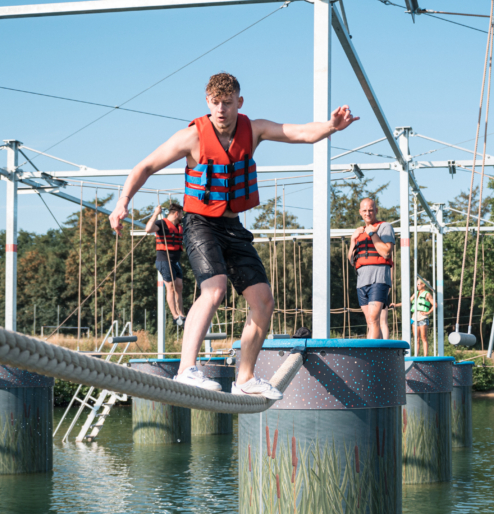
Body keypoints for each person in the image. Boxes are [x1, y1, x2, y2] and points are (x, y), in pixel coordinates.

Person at [109, 72, 358, 398]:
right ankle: (187, 369)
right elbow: (143, 167)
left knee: (263, 301)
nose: (222, 110)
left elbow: (299, 133)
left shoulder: (253, 129)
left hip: (233, 227)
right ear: (207, 102)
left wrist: (330, 127)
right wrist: (122, 203)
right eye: (215, 103)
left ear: (239, 102)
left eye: (228, 103)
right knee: (215, 289)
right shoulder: (192, 137)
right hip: (199, 223)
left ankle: (245, 379)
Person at [347, 198, 395, 339]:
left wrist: (372, 233)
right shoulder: (358, 232)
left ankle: (370, 356)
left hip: (378, 278)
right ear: (360, 212)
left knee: (374, 320)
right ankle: (379, 356)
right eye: (364, 210)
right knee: (370, 322)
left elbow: (386, 252)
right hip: (362, 281)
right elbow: (351, 260)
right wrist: (352, 240)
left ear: (376, 210)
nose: (367, 213)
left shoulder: (385, 227)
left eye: (370, 210)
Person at [145, 201, 186, 329]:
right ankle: (175, 315)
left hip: (175, 261)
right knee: (171, 288)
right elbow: (148, 229)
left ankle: (181, 313)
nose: (182, 217)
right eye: (181, 215)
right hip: (164, 260)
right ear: (177, 214)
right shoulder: (162, 224)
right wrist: (155, 213)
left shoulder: (179, 226)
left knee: (179, 286)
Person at [410, 277, 435, 356]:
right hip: (414, 318)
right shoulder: (416, 293)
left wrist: (428, 312)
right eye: (416, 284)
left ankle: (425, 356)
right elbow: (407, 301)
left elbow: (435, 305)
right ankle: (416, 355)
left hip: (422, 318)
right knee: (416, 338)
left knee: (423, 337)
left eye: (418, 284)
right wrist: (395, 305)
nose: (417, 286)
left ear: (423, 284)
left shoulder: (427, 294)